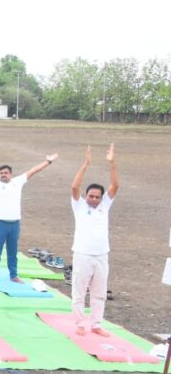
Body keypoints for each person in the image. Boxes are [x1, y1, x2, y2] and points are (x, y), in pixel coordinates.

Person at [0, 152, 58, 284]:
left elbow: (34, 170)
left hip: (14, 224)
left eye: (5, 173)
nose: (3, 175)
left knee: (13, 251)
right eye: (1, 173)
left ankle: (13, 275)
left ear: (11, 174)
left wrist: (48, 162)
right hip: (0, 223)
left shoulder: (18, 181)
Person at [70, 144, 118, 337]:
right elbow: (75, 186)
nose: (94, 199)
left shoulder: (104, 205)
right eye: (91, 196)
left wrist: (112, 163)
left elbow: (115, 186)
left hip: (101, 255)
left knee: (99, 293)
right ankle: (80, 323)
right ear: (86, 196)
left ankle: (96, 324)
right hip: (82, 254)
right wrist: (86, 164)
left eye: (97, 197)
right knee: (79, 292)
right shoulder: (79, 205)